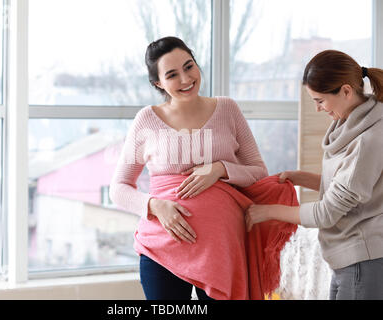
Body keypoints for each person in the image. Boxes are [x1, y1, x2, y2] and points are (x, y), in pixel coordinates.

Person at [110, 36, 297, 300]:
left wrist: (220, 169)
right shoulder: (146, 120)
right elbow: (118, 189)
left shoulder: (227, 109)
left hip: (222, 250)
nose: (186, 79)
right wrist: (155, 206)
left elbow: (258, 171)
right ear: (158, 83)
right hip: (162, 248)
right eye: (172, 75)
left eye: (189, 66)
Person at [245, 49, 383, 300]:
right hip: (347, 259)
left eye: (320, 100)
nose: (318, 109)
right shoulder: (349, 124)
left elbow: (327, 212)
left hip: (363, 260)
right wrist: (301, 177)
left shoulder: (368, 139)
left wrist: (267, 211)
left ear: (346, 91)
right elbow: (349, 188)